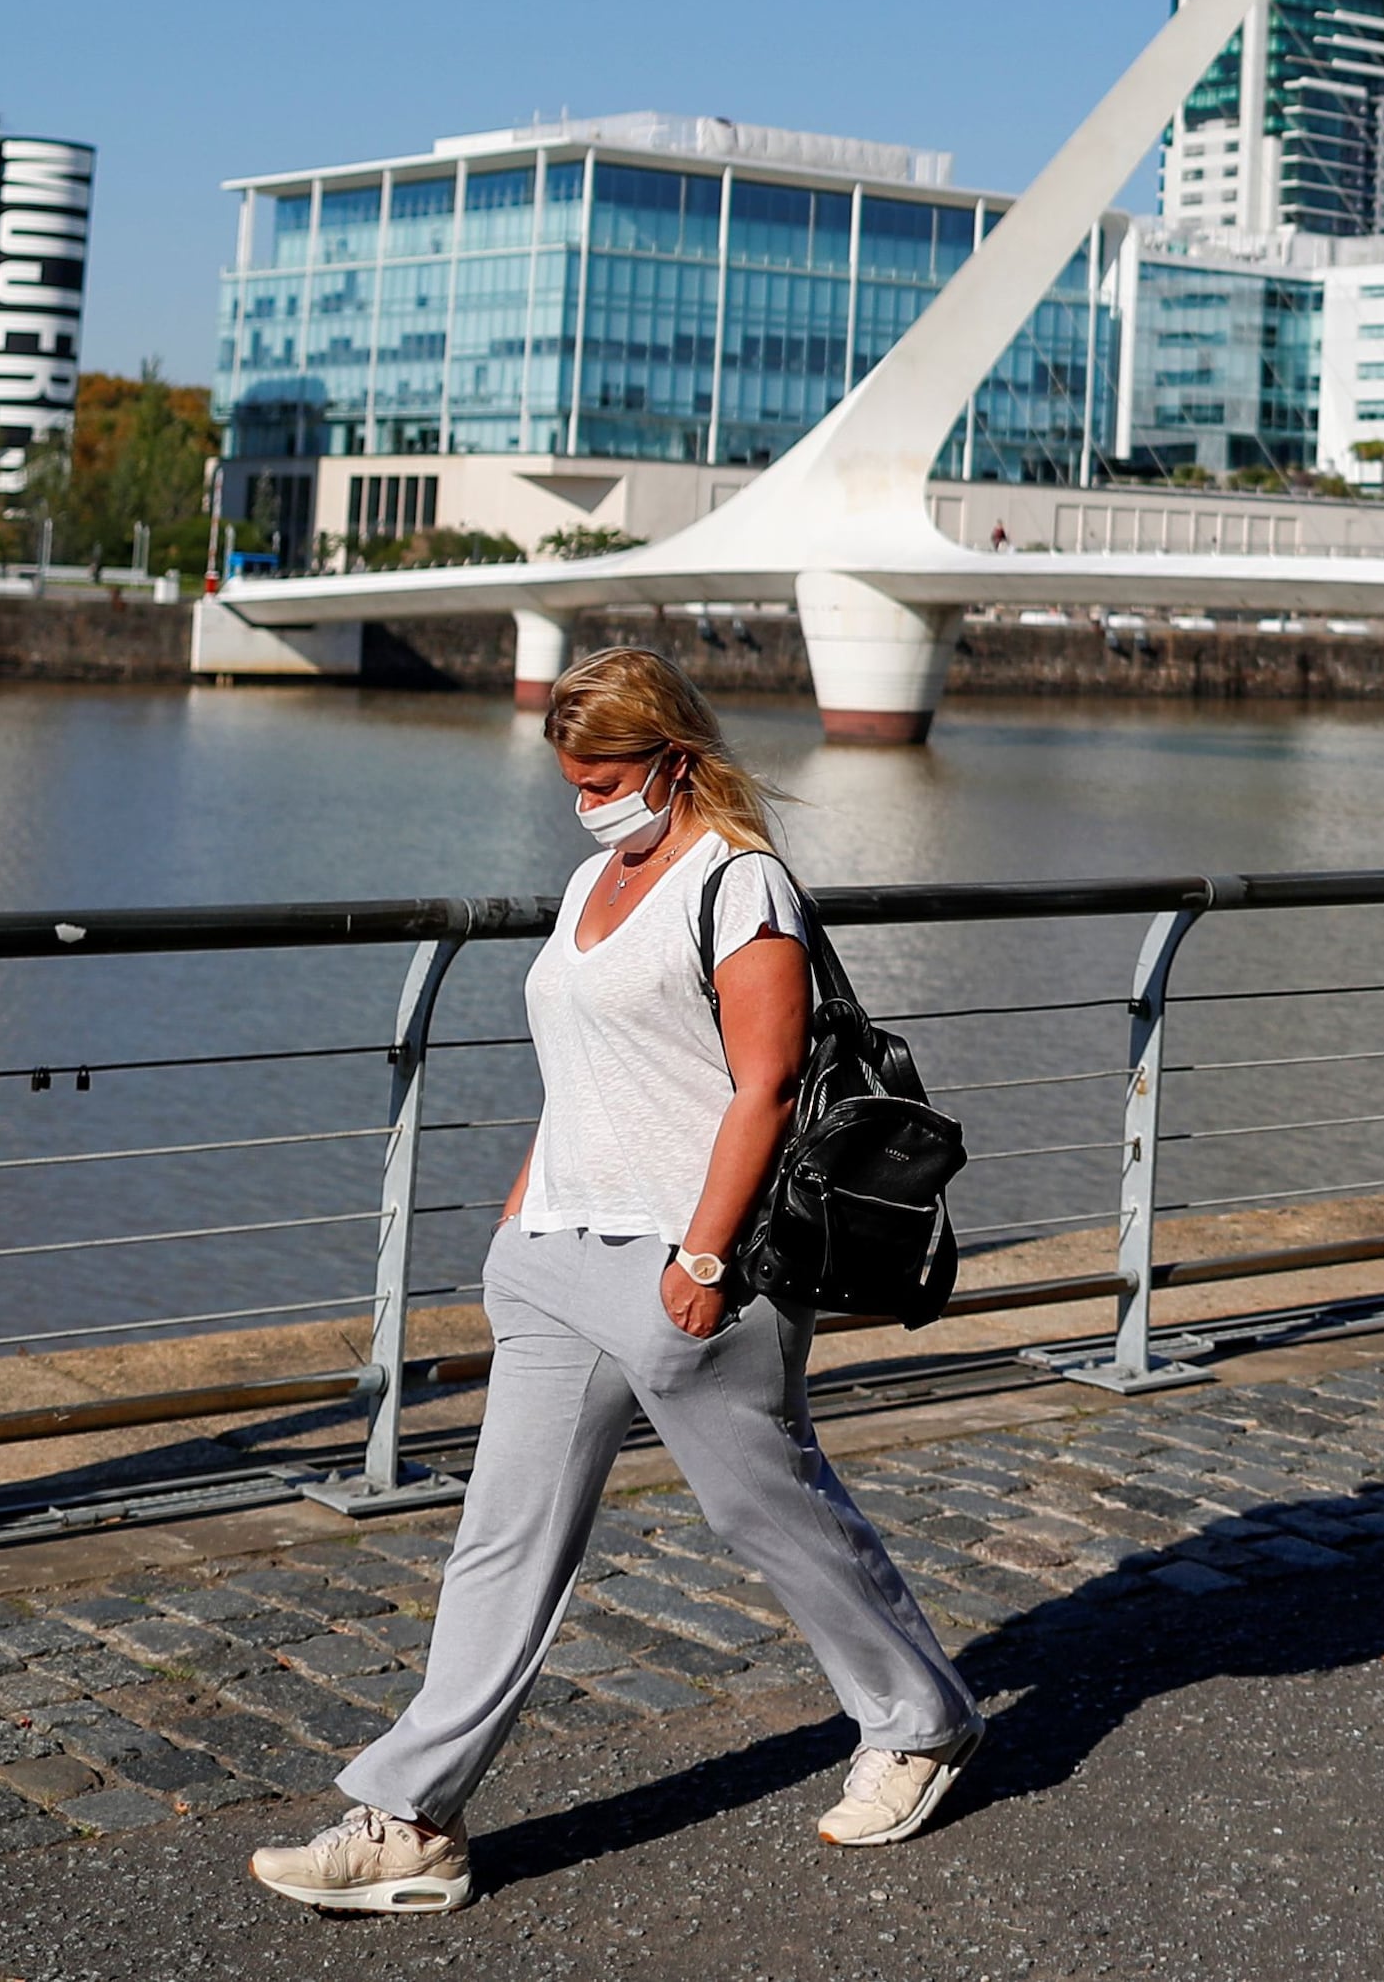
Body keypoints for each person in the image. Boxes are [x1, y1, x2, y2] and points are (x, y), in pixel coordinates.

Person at [247, 645, 979, 1911]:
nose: (584, 798)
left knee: (768, 1511)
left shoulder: (739, 886)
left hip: (690, 1263)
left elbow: (760, 1086)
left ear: (673, 761)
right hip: (554, 1261)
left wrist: (700, 1258)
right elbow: (580, 1071)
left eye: (604, 774)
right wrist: (519, 1225)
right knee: (501, 1541)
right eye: (571, 776)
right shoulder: (594, 875)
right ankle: (412, 1822)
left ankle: (918, 1721)